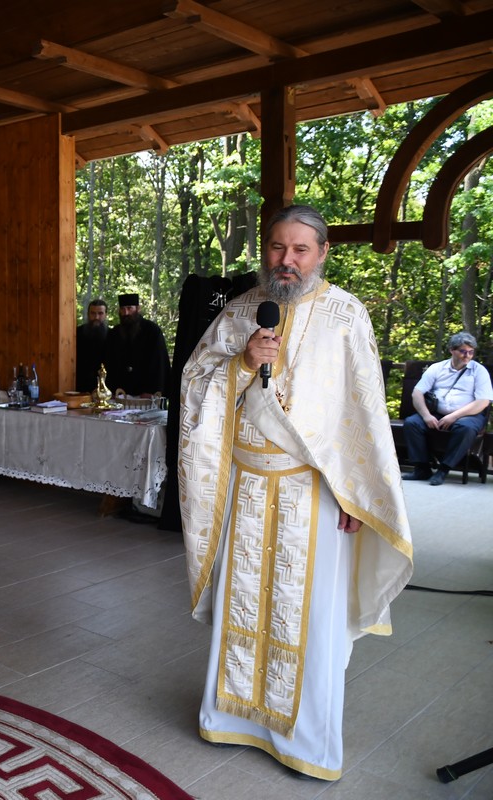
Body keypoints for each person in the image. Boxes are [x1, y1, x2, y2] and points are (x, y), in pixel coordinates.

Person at [178, 205, 413, 781]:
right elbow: (194, 383)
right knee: (246, 605)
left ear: (322, 252)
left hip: (315, 494)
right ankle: (233, 716)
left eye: (300, 250)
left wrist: (360, 495)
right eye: (278, 248)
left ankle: (305, 740)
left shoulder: (344, 315)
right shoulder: (239, 311)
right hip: (246, 487)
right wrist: (240, 362)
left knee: (306, 616)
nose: (287, 260)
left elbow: (362, 417)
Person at [401, 332, 492, 485]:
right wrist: (426, 416)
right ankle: (422, 468)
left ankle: (444, 469)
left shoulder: (479, 371)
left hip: (469, 415)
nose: (467, 356)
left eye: (471, 352)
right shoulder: (437, 368)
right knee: (412, 423)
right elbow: (417, 393)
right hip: (437, 413)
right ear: (452, 350)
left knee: (465, 428)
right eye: (463, 351)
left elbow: (483, 402)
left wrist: (454, 416)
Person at [104, 292, 169, 396]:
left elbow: (159, 363)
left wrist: (152, 390)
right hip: (120, 393)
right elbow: (109, 363)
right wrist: (111, 389)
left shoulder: (152, 330)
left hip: (146, 393)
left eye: (130, 308)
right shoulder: (114, 333)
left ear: (138, 309)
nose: (126, 313)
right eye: (123, 309)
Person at [75, 298, 108, 392]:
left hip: (105, 386)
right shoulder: (77, 333)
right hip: (80, 385)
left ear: (106, 315)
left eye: (100, 313)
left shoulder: (112, 335)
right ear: (88, 314)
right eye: (93, 313)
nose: (96, 317)